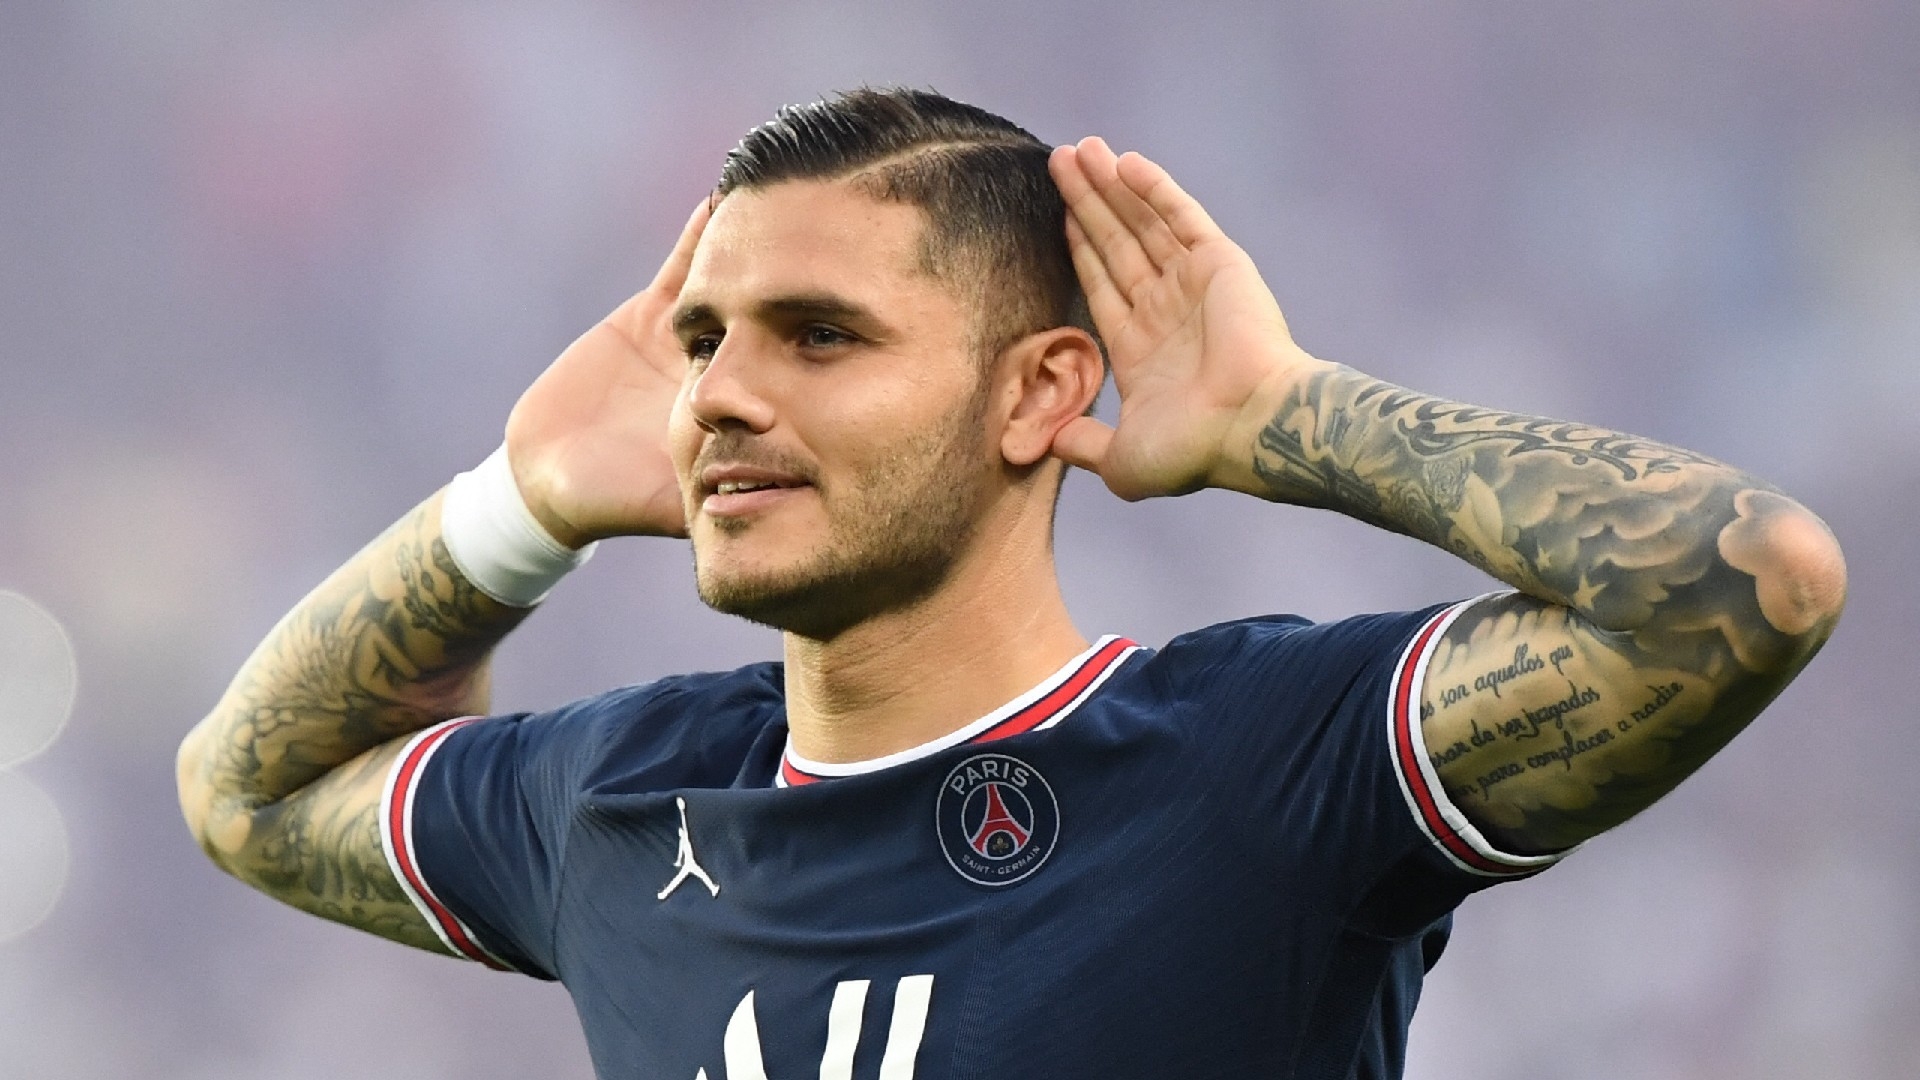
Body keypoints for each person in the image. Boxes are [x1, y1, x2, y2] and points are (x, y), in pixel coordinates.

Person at [176, 89, 1846, 1079]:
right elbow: (243, 795)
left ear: (1040, 392)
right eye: (701, 341)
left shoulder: (1248, 764)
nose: (722, 395)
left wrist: (1288, 418)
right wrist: (516, 507)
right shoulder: (615, 799)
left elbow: (1744, 584)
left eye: (819, 336)